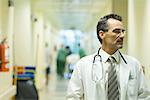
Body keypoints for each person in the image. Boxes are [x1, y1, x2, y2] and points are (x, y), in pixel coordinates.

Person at [67, 14, 150, 100]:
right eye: (116, 31)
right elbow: (73, 97)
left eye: (123, 31)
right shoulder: (83, 65)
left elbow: (144, 96)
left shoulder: (134, 64)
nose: (122, 35)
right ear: (102, 34)